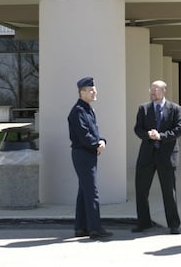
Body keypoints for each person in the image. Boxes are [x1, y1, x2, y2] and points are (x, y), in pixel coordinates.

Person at [132, 80, 181, 235]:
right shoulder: (144, 109)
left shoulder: (175, 109)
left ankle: (173, 224)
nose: (153, 92)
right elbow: (138, 128)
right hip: (147, 155)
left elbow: (179, 129)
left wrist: (161, 136)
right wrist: (147, 134)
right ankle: (143, 223)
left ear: (164, 91)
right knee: (141, 190)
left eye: (156, 89)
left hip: (166, 156)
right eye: (152, 89)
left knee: (169, 191)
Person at [67, 76, 112, 241]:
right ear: (82, 92)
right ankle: (95, 228)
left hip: (87, 153)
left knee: (84, 191)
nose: (95, 92)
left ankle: (81, 227)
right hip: (83, 154)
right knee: (92, 192)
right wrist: (97, 144)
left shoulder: (87, 109)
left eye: (94, 89)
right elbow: (84, 135)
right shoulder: (78, 111)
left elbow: (93, 132)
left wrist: (102, 140)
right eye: (91, 90)